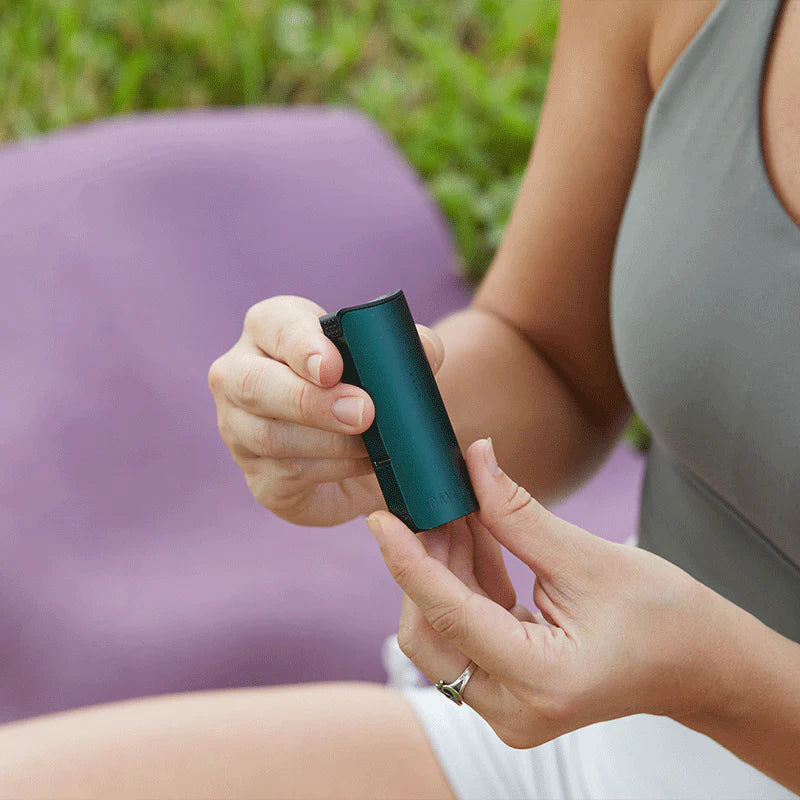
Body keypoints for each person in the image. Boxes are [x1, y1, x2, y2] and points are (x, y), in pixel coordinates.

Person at [1, 0, 798, 797]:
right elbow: (551, 357)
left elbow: (705, 676)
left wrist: (714, 681)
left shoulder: (694, 673)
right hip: (599, 729)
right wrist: (360, 428)